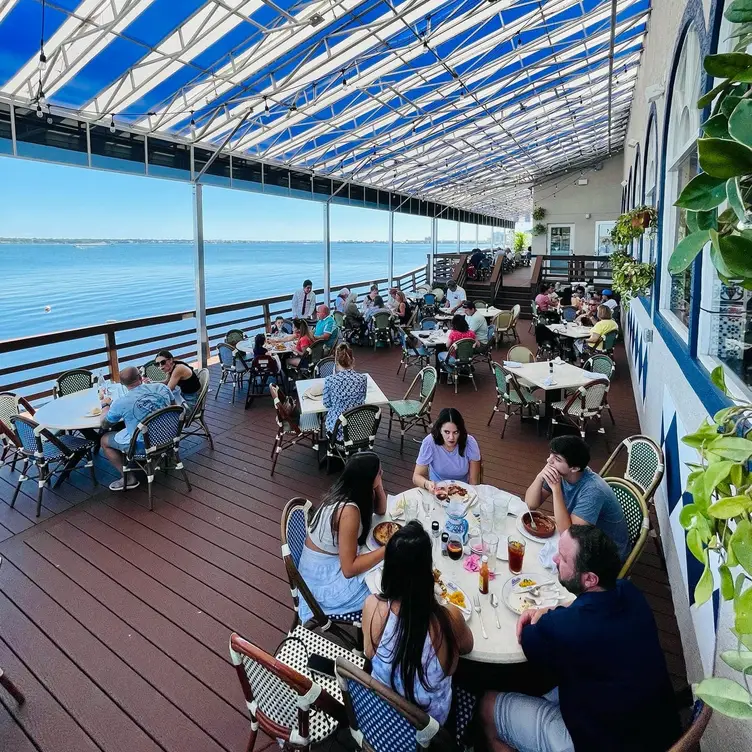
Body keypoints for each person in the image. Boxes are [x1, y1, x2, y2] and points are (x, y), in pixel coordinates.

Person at [481, 525, 681, 752]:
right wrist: (551, 609)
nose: (555, 559)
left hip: (596, 743)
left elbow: (529, 638)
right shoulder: (629, 591)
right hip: (656, 734)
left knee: (488, 705)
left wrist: (541, 616)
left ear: (589, 579)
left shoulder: (569, 627)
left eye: (564, 558)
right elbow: (576, 609)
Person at [363, 521, 474, 724]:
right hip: (427, 737)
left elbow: (369, 654)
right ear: (427, 572)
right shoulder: (448, 618)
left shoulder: (372, 606)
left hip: (380, 719)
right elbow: (467, 647)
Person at [297, 452, 388, 624]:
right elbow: (349, 569)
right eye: (379, 472)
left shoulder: (349, 489)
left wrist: (377, 485)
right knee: (388, 583)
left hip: (326, 563)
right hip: (322, 584)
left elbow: (381, 510)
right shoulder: (348, 511)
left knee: (386, 567)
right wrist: (388, 549)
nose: (382, 473)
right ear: (366, 478)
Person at [525, 436, 628, 559]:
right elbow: (530, 504)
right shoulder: (561, 473)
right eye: (551, 454)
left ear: (574, 468)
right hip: (582, 536)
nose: (548, 460)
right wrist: (539, 477)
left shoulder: (593, 490)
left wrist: (556, 490)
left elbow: (569, 534)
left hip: (606, 554)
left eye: (557, 458)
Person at [99, 366, 174, 491]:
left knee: (104, 439)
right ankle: (164, 455)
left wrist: (105, 405)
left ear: (122, 384)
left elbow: (105, 424)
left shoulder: (121, 403)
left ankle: (129, 479)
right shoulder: (162, 388)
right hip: (169, 437)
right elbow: (173, 407)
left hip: (144, 446)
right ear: (140, 377)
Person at [413, 408, 482, 489]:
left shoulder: (470, 442)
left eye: (455, 432)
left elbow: (473, 481)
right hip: (437, 489)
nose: (451, 437)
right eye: (447, 432)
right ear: (440, 430)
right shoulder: (429, 442)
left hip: (463, 490)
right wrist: (427, 484)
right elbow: (416, 477)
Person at [322, 343, 368, 436]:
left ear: (336, 363)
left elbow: (327, 403)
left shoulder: (330, 380)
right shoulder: (362, 378)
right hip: (358, 427)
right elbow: (363, 398)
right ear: (353, 360)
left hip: (338, 429)